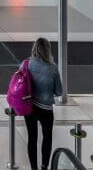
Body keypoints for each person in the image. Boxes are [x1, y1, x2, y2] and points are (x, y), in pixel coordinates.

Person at [21, 38, 63, 170]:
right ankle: (44, 166)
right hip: (46, 109)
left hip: (30, 106)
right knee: (47, 138)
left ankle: (34, 167)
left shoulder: (26, 64)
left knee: (32, 138)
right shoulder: (52, 68)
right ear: (48, 50)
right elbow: (59, 91)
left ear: (34, 48)